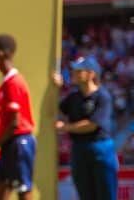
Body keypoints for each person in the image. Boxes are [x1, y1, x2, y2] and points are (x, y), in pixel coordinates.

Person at [0, 34, 36, 200]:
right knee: (2, 189)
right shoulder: (6, 83)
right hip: (10, 142)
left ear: (0, 53)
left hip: (19, 142)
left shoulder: (13, 83)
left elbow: (14, 123)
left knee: (23, 189)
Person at [55, 56, 118, 200]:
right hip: (79, 149)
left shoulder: (102, 96)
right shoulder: (74, 97)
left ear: (91, 74)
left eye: (79, 70)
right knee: (85, 194)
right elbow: (57, 109)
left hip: (100, 149)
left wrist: (66, 127)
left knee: (105, 194)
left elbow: (92, 125)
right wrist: (57, 89)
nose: (74, 73)